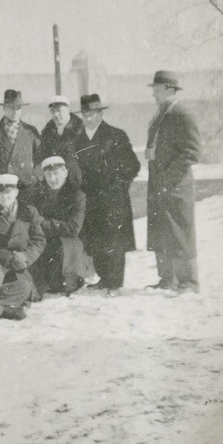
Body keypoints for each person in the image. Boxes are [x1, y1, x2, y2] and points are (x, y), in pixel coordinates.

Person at [74, 93, 140, 294]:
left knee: (114, 241)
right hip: (91, 199)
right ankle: (103, 278)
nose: (89, 117)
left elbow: (133, 165)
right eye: (85, 114)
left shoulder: (116, 135)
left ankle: (115, 283)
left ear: (100, 113)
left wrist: (118, 187)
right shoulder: (79, 139)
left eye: (93, 113)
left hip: (113, 199)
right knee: (96, 239)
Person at [145, 70, 202, 293]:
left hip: (176, 187)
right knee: (161, 232)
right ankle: (168, 280)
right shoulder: (161, 113)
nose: (153, 95)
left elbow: (193, 152)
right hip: (159, 187)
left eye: (156, 90)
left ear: (169, 89)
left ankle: (188, 283)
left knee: (180, 233)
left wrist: (167, 178)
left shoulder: (182, 113)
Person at [28, 156, 89, 297]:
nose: (53, 178)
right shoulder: (38, 194)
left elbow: (73, 229)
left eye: (56, 173)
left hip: (68, 241)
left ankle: (68, 281)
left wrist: (42, 222)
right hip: (46, 238)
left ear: (66, 173)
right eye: (48, 174)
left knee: (63, 250)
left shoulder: (76, 195)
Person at [0, 174, 46, 302]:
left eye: (8, 192)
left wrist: (26, 257)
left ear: (16, 192)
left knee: (29, 291)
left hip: (25, 264)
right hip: (0, 262)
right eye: (0, 192)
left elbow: (39, 240)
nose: (5, 197)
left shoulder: (29, 211)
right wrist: (8, 257)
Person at [0, 89, 41, 191]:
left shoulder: (30, 131)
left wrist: (35, 177)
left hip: (26, 187)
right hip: (3, 187)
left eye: (18, 108)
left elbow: (41, 157)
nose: (15, 111)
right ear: (4, 108)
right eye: (11, 108)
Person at [37, 95, 84, 186]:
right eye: (53, 111)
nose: (56, 115)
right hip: (55, 183)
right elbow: (41, 155)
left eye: (60, 110)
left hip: (77, 182)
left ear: (68, 110)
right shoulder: (47, 131)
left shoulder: (81, 129)